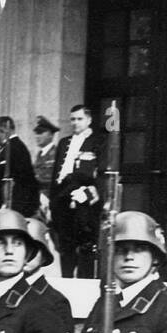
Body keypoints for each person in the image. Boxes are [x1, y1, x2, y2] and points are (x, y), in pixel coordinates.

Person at [50, 105, 105, 278]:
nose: (75, 123)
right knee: (65, 247)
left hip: (84, 201)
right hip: (62, 200)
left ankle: (85, 283)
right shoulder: (63, 143)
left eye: (79, 119)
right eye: (72, 119)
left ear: (89, 120)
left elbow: (101, 174)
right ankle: (66, 280)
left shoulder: (98, 141)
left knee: (85, 246)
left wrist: (90, 193)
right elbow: (55, 176)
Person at [0, 117, 40, 218]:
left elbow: (23, 182)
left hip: (10, 210)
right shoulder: (6, 148)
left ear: (3, 130)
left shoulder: (15, 148)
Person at [32, 117, 59, 218]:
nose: (37, 136)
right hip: (38, 198)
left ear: (51, 135)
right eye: (36, 133)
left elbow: (50, 178)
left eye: (41, 133)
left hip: (49, 199)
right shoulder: (40, 154)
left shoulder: (55, 153)